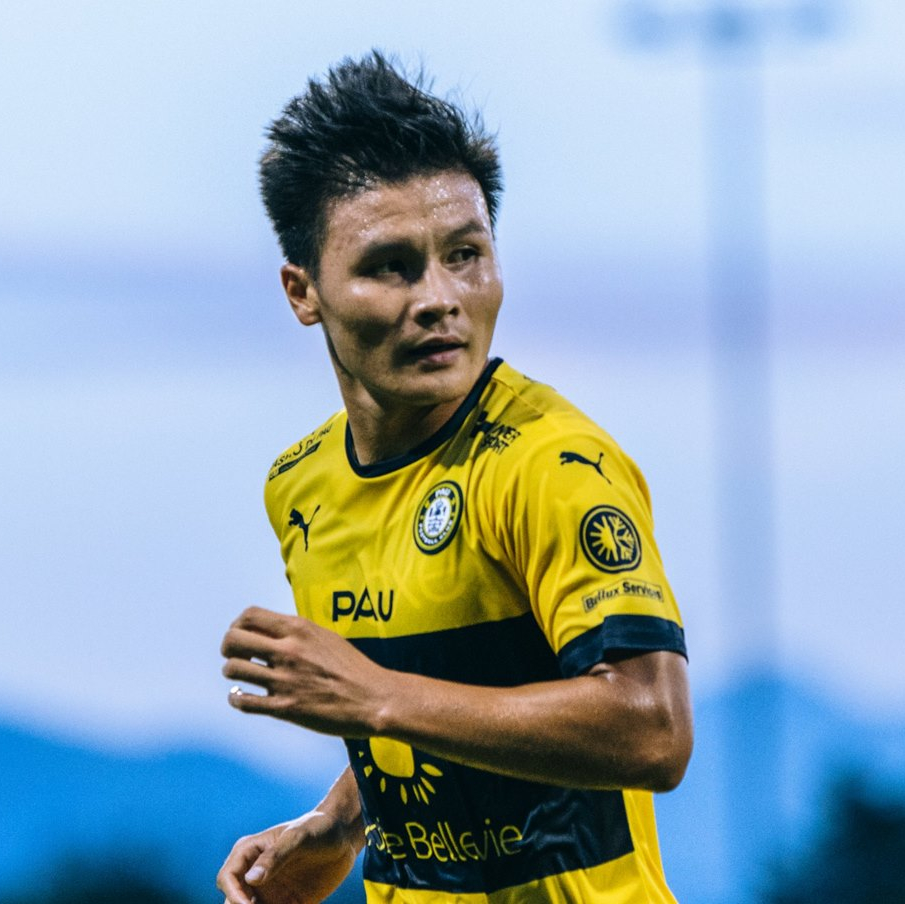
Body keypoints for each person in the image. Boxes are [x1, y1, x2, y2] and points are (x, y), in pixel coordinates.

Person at [218, 51, 693, 904]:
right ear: (303, 291)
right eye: (390, 266)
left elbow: (652, 730)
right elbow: (455, 698)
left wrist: (374, 696)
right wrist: (338, 823)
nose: (440, 297)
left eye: (465, 254)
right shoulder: (301, 485)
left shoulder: (548, 465)